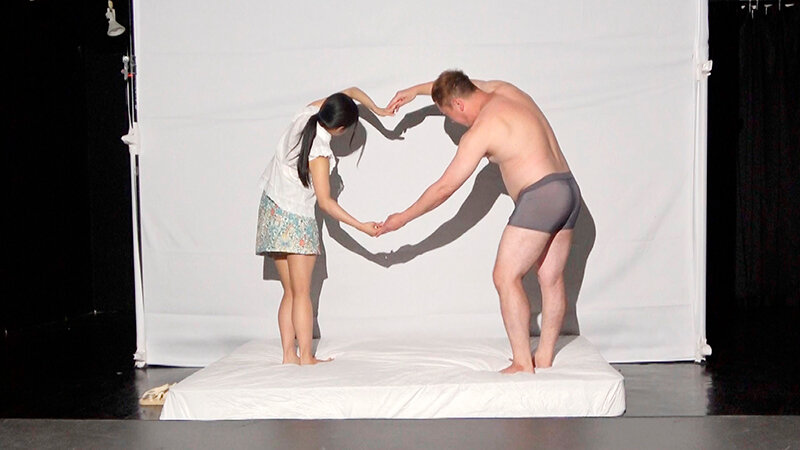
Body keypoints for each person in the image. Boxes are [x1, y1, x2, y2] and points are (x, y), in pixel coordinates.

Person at [379, 70, 581, 374]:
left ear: (458, 105)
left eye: (450, 115)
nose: (457, 123)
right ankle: (544, 357)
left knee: (505, 277)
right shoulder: (505, 89)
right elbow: (454, 86)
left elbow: (444, 188)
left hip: (541, 197)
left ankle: (522, 363)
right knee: (550, 278)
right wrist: (415, 91)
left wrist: (402, 219)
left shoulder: (482, 130)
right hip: (567, 189)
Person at [257, 88, 390, 365]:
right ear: (340, 129)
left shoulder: (305, 114)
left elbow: (350, 91)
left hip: (272, 211)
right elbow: (326, 203)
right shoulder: (319, 151)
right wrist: (362, 226)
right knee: (302, 294)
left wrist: (377, 110)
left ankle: (288, 355)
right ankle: (306, 356)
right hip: (295, 218)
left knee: (290, 292)